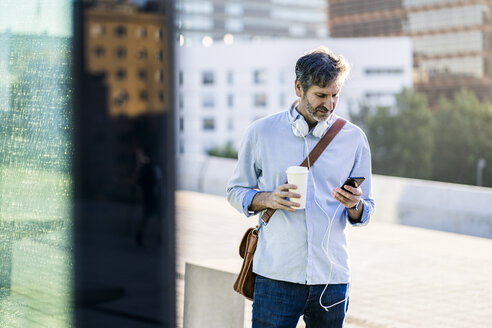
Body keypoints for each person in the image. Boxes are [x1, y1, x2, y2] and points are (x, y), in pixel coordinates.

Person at [226, 47, 375, 328]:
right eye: (321, 95)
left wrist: (354, 205)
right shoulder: (261, 133)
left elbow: (366, 209)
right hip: (276, 276)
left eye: (335, 95)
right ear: (299, 87)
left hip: (332, 279)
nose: (329, 105)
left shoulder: (354, 139)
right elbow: (235, 191)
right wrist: (267, 198)